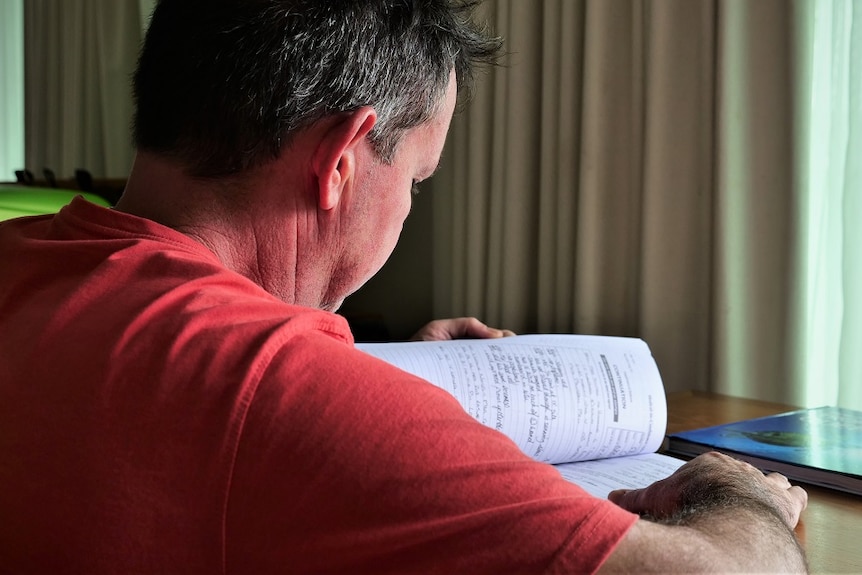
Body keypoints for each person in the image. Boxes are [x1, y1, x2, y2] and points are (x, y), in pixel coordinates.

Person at [0, 0, 807, 572]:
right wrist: (741, 494)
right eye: (418, 180)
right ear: (341, 159)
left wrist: (382, 372)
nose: (411, 207)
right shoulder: (275, 392)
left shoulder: (26, 260)